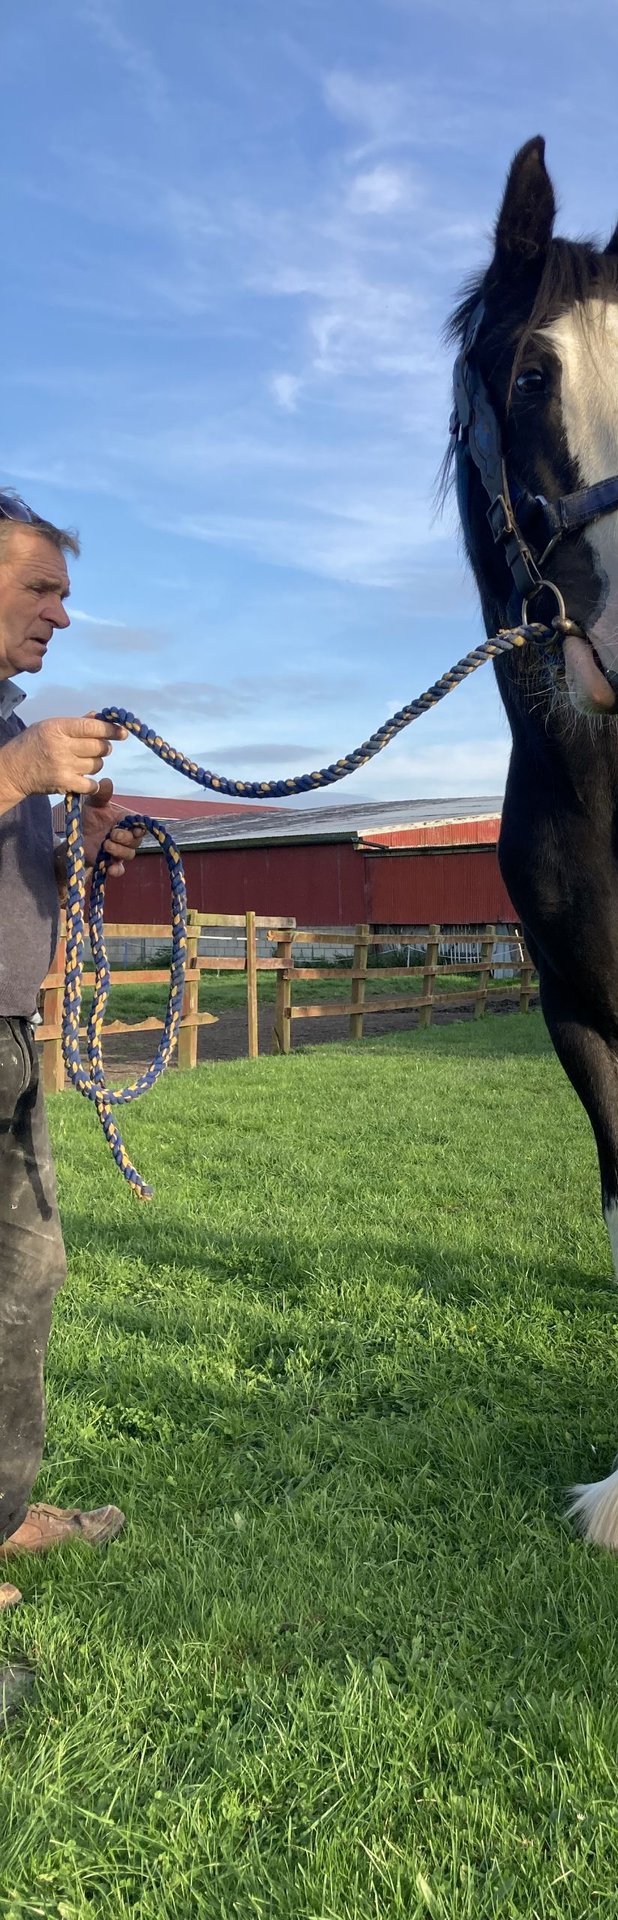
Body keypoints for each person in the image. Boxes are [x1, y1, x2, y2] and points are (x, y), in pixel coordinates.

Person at [0, 488, 142, 1627]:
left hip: (7, 1044)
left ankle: (0, 1513)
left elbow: (28, 900)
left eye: (62, 594)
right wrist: (22, 773)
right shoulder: (16, 747)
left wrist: (82, 848)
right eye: (40, 588)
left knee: (25, 1279)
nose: (59, 615)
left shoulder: (11, 730)